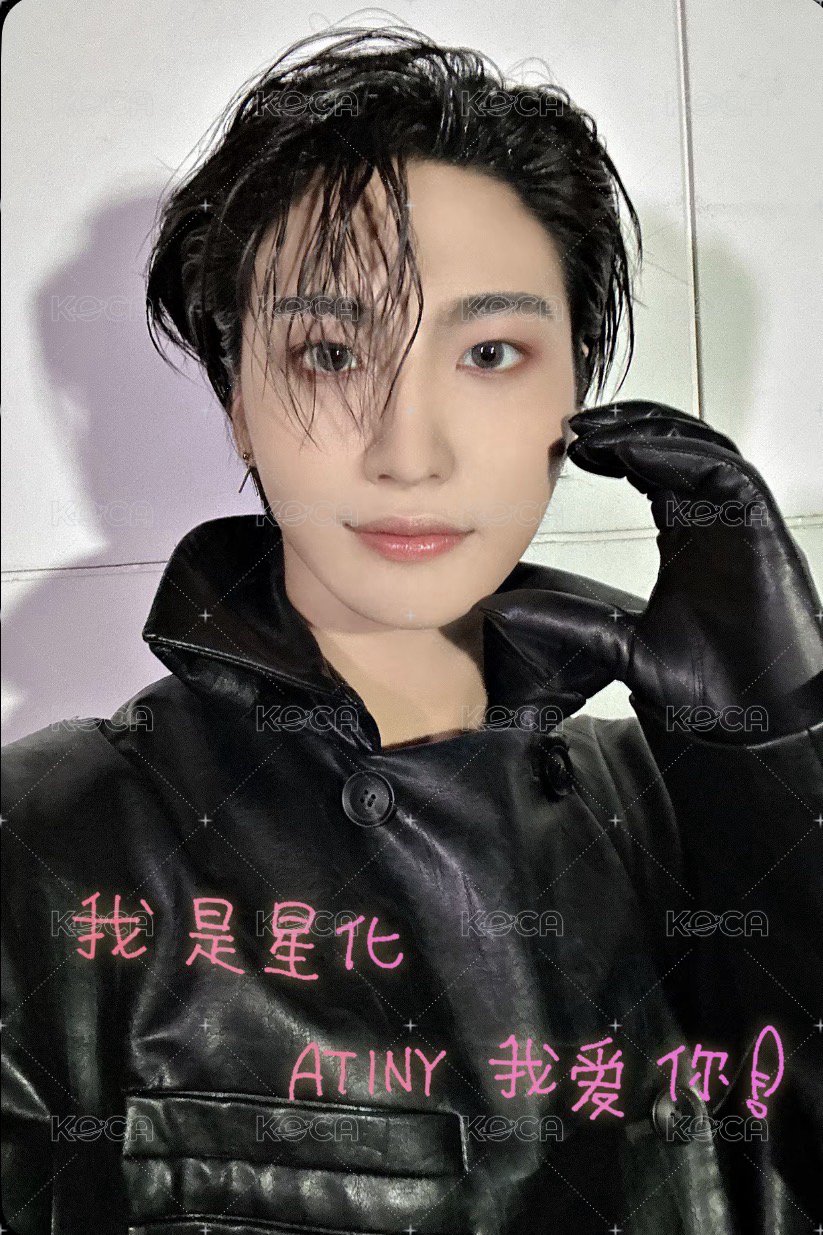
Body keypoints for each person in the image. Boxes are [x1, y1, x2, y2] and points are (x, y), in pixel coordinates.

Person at [2, 25, 822, 1235]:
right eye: (331, 352)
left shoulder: (690, 808)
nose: (409, 448)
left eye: (489, 352)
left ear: (572, 391)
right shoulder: (52, 842)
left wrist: (777, 765)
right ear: (238, 401)